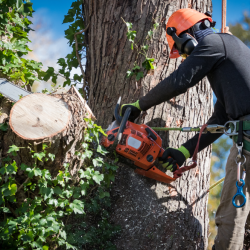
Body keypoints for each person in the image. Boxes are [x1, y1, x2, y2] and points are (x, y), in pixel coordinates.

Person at [120, 8, 250, 250]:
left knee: (231, 219)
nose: (182, 55)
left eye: (179, 49)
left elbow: (180, 80)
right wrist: (184, 151)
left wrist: (139, 105)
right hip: (245, 144)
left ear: (185, 36)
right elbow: (221, 120)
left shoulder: (214, 43)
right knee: (236, 222)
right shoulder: (227, 56)